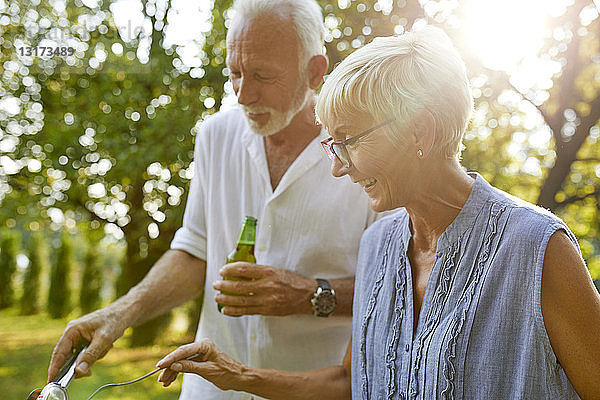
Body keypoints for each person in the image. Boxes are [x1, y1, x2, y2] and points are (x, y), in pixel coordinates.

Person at [155, 26, 600, 399]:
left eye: (349, 140)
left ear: (419, 131)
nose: (337, 165)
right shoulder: (377, 244)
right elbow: (351, 381)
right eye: (332, 143)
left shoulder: (536, 248)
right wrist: (238, 375)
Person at [47, 1, 381, 399]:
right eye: (234, 73)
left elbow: (401, 287)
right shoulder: (215, 135)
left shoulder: (366, 152)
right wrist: (119, 315)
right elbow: (195, 252)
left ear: (314, 71)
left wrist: (308, 294)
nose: (243, 94)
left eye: (262, 75)